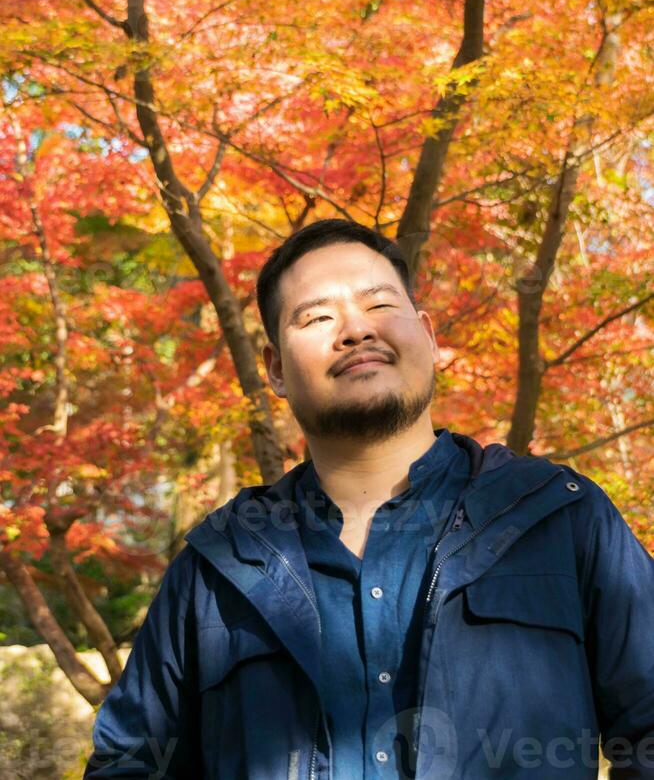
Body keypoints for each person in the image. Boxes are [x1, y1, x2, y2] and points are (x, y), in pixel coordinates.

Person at [84, 219, 654, 780]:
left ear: (429, 338)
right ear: (276, 369)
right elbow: (127, 764)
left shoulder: (559, 518)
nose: (355, 330)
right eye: (317, 317)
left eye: (379, 305)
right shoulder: (216, 571)